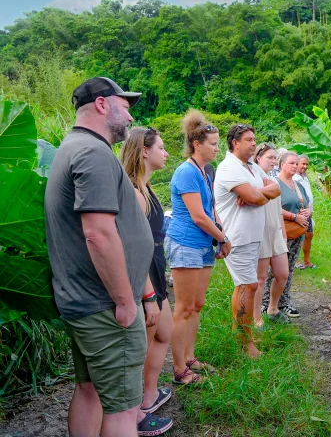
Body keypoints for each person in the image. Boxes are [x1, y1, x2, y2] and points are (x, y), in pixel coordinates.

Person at [44, 77, 172, 437]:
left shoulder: (74, 147)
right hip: (105, 306)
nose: (130, 118)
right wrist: (124, 302)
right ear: (102, 105)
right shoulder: (93, 153)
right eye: (125, 108)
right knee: (123, 408)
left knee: (89, 391)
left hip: (86, 301)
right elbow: (98, 234)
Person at [166, 110, 231, 384]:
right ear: (197, 145)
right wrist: (223, 238)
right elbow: (198, 216)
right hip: (186, 244)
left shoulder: (206, 171)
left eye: (218, 144)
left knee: (197, 304)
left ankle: (190, 357)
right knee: (182, 307)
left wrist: (220, 234)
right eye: (213, 144)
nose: (217, 149)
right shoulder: (186, 172)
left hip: (204, 245)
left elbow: (211, 209)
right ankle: (179, 369)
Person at [120, 127, 174, 417]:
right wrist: (148, 295)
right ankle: (135, 409)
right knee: (145, 342)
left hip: (155, 267)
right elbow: (131, 250)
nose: (166, 153)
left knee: (165, 332)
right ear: (144, 151)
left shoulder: (147, 187)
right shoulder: (134, 193)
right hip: (145, 276)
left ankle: (150, 394)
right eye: (162, 148)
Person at [214, 124, 281, 358]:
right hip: (237, 237)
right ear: (235, 143)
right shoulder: (228, 168)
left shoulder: (252, 166)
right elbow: (257, 195)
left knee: (246, 285)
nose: (254, 143)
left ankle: (239, 335)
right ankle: (245, 344)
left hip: (253, 235)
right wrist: (255, 195)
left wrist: (255, 196)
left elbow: (276, 188)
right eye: (249, 140)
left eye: (254, 139)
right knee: (247, 286)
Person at [261, 152, 310, 319]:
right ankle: (265, 302)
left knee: (288, 269)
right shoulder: (275, 183)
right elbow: (272, 206)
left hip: (298, 233)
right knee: (272, 270)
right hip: (280, 231)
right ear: (282, 164)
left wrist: (306, 212)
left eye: (297, 163)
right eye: (291, 163)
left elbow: (307, 205)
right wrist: (294, 216)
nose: (295, 166)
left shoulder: (298, 185)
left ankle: (284, 301)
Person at [252, 143, 290, 326]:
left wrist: (283, 234)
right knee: (260, 278)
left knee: (283, 274)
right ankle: (256, 318)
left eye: (275, 158)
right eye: (270, 157)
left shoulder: (273, 180)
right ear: (258, 158)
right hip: (260, 233)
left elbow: (278, 211)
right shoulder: (252, 178)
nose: (274, 161)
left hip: (276, 232)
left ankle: (272, 309)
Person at [294, 154, 316, 270]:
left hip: (308, 212)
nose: (305, 166)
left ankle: (307, 261)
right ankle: (295, 260)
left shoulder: (304, 177)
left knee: (309, 235)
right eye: (303, 164)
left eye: (307, 164)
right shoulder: (294, 178)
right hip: (299, 212)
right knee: (297, 236)